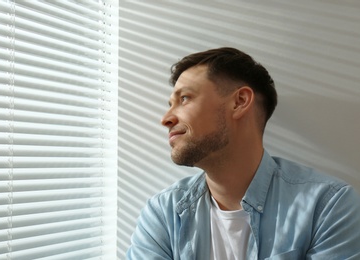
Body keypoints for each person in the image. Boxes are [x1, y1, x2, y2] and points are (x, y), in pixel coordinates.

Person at [126, 47, 360, 259]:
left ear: (239, 102)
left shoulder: (328, 207)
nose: (165, 119)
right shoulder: (163, 213)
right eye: (170, 104)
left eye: (184, 98)